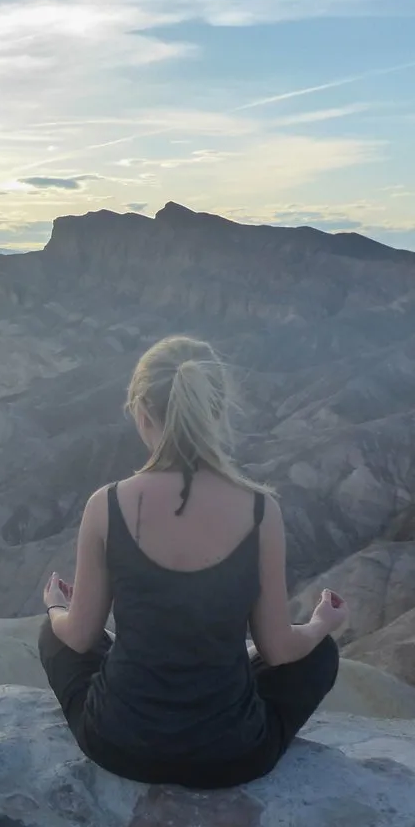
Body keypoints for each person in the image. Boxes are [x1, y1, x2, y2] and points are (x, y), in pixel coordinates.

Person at [37, 334, 346, 788]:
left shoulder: (106, 505)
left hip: (119, 744)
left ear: (142, 414)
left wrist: (54, 608)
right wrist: (321, 624)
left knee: (55, 636)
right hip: (231, 755)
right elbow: (279, 649)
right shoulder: (261, 510)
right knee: (319, 656)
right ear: (217, 413)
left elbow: (81, 637)